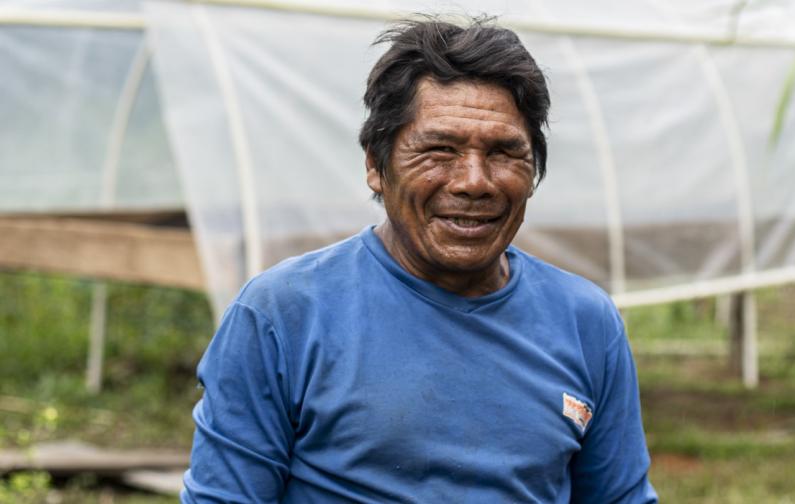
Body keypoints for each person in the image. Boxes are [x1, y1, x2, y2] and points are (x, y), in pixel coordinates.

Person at [182, 16, 657, 504]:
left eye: (504, 152)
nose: (474, 181)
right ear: (375, 164)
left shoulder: (585, 321)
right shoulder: (283, 315)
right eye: (439, 150)